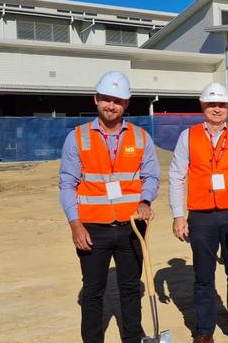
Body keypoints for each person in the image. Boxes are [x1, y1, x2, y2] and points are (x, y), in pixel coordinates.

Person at [59, 70, 160, 343]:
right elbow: (67, 183)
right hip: (92, 229)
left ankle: (132, 339)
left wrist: (145, 201)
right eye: (106, 99)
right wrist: (75, 224)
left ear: (126, 104)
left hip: (131, 229)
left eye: (117, 100)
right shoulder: (77, 138)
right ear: (96, 99)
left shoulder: (141, 138)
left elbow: (151, 176)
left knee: (130, 290)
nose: (111, 105)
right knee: (92, 292)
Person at [169, 82, 228, 343]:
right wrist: (178, 215)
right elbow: (176, 176)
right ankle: (205, 330)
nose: (217, 109)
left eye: (221, 104)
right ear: (203, 107)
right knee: (204, 277)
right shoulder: (188, 136)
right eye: (212, 104)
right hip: (201, 216)